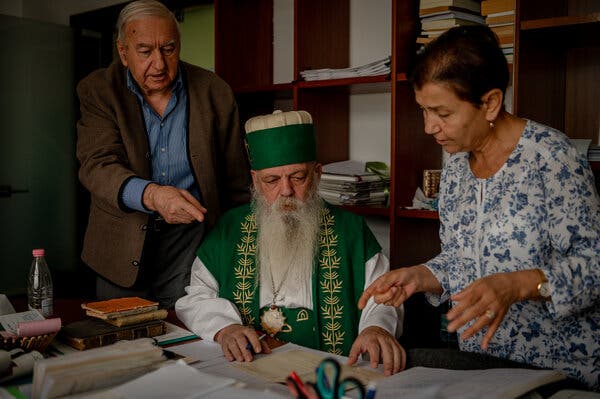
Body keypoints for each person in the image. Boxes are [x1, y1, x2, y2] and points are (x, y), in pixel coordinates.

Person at [358, 25, 600, 391]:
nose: (429, 127)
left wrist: (517, 285)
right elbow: (462, 259)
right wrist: (418, 276)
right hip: (481, 366)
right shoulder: (456, 167)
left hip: (558, 369)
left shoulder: (551, 157)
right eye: (423, 111)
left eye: (442, 113)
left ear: (490, 102)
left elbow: (594, 266)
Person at [176, 110, 405, 375]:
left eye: (298, 177)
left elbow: (384, 296)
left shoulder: (350, 229)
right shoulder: (230, 229)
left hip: (331, 374)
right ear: (255, 180)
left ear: (317, 174)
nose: (286, 191)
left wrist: (376, 328)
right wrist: (225, 329)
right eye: (272, 180)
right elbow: (196, 296)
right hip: (251, 370)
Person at [76, 0, 250, 309]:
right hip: (120, 243)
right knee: (125, 348)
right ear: (123, 51)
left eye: (168, 49)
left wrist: (240, 249)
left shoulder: (214, 91)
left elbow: (237, 184)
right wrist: (154, 196)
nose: (158, 64)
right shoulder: (99, 90)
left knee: (190, 336)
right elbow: (98, 166)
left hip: (191, 242)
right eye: (145, 51)